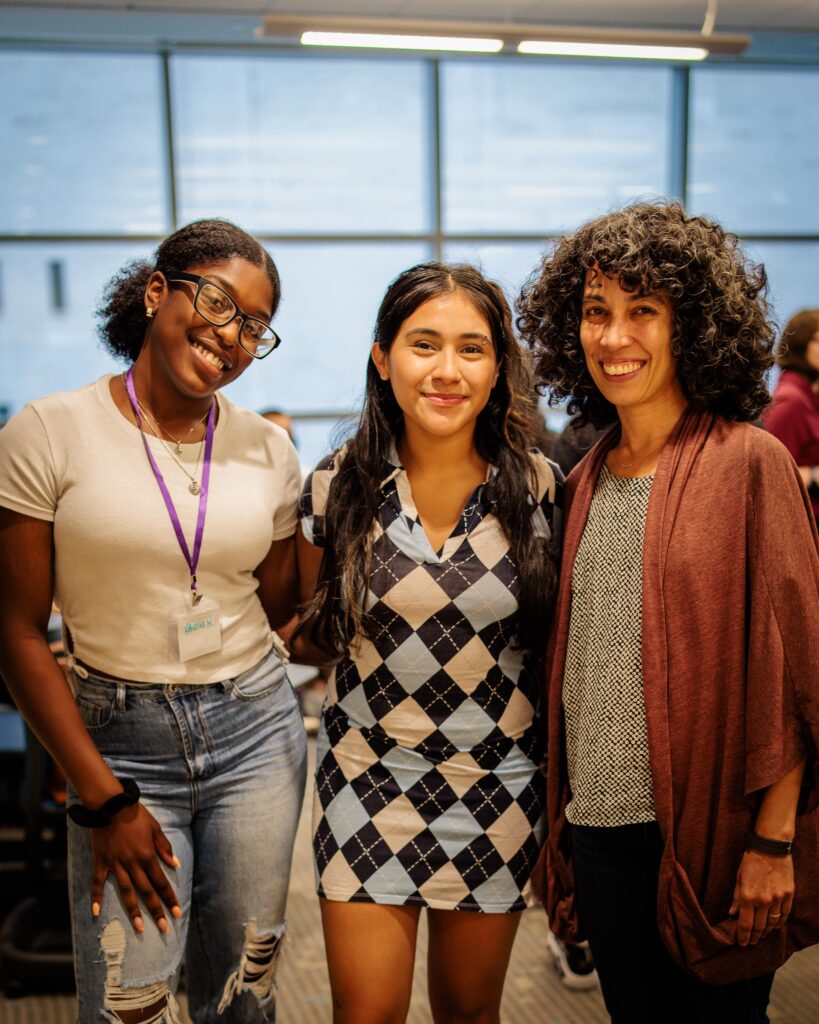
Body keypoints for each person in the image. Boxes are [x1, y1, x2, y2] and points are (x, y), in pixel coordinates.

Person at [517, 201, 819, 1024]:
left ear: (691, 325)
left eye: (641, 312)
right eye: (594, 313)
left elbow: (798, 669)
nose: (613, 338)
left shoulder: (751, 462)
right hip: (600, 831)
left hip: (717, 837)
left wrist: (772, 838)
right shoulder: (582, 482)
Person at [0, 219, 308, 1023]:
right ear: (155, 292)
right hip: (120, 740)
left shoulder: (268, 451)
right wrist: (104, 801)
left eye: (253, 325)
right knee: (128, 1000)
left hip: (254, 731)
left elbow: (282, 606)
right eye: (216, 300)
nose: (230, 334)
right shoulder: (49, 430)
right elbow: (16, 630)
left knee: (242, 989)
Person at [292, 262, 562, 1024]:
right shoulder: (335, 485)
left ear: (497, 366)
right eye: (423, 344)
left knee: (468, 1017)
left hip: (498, 781)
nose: (447, 370)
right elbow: (311, 629)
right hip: (367, 778)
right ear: (382, 358)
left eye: (471, 349)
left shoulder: (542, 489)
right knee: (366, 1018)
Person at [763, 309, 819, 523]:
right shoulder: (792, 400)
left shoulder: (809, 397)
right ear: (802, 343)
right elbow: (770, 474)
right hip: (802, 527)